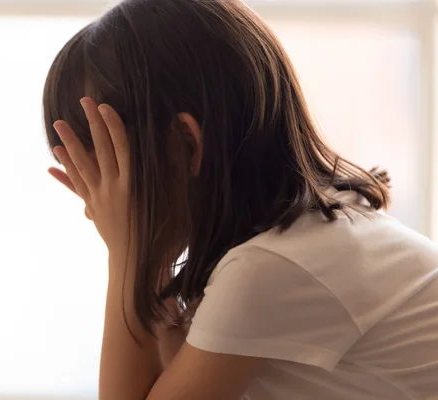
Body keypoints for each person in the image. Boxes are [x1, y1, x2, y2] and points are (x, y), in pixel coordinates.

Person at [42, 0, 438, 399]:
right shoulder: (322, 227)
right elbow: (170, 374)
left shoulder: (271, 267)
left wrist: (129, 253)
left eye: (110, 176)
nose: (100, 203)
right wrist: (146, 260)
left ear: (187, 143)